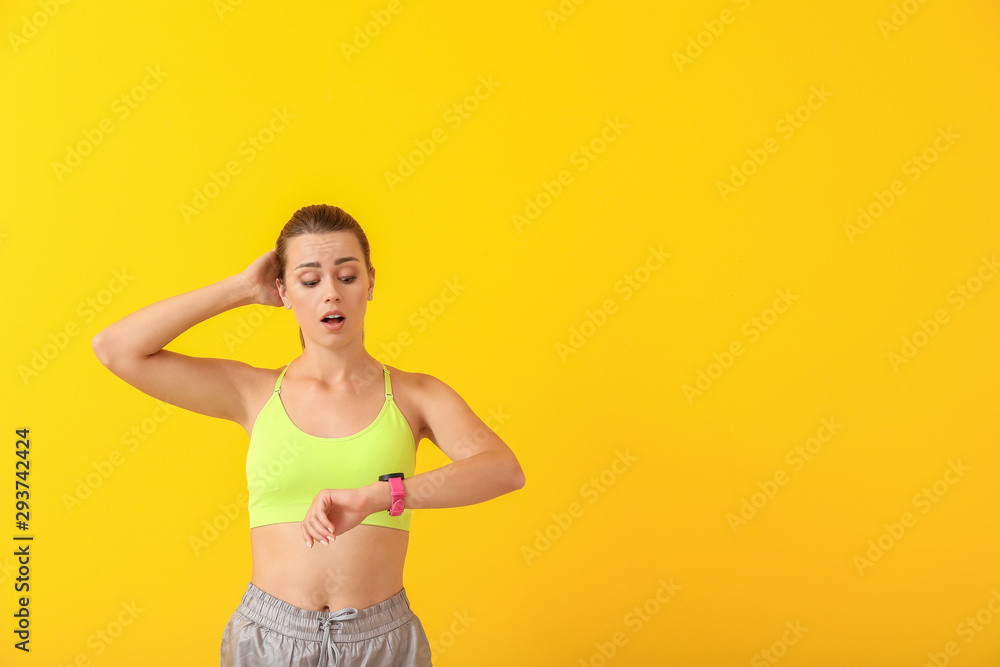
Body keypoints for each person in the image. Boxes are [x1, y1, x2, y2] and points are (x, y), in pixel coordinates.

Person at [91, 204, 526, 666]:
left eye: (347, 276)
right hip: (270, 640)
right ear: (283, 291)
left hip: (381, 642)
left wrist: (379, 497)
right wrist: (241, 288)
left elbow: (503, 470)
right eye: (310, 280)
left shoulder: (416, 394)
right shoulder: (253, 393)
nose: (331, 294)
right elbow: (116, 350)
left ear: (371, 282)